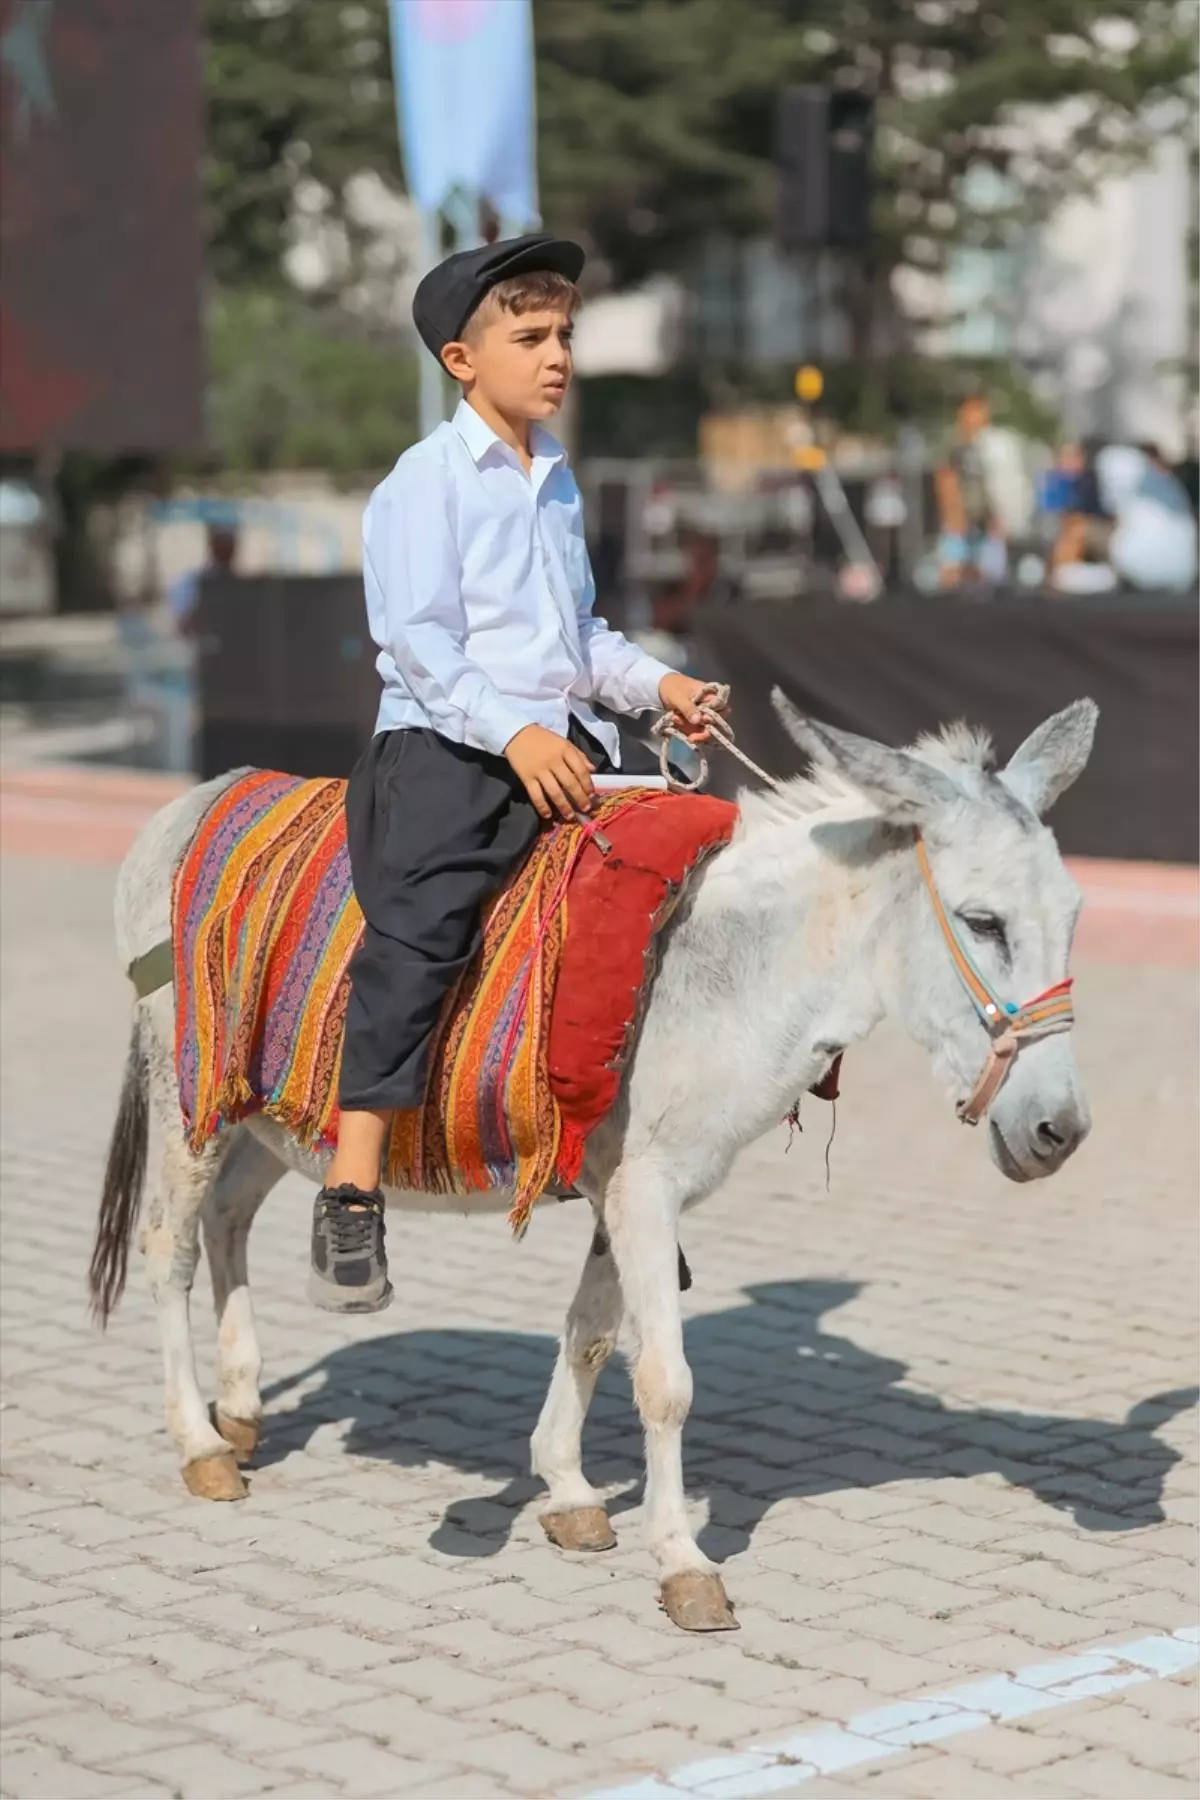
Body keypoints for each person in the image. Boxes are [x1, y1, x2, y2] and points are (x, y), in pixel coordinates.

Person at [309, 233, 725, 1312]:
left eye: (565, 336)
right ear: (460, 359)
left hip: (558, 749)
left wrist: (658, 687)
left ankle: (613, 1183)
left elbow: (577, 637)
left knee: (638, 923)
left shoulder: (556, 481)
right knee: (421, 937)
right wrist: (515, 737)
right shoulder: (425, 484)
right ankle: (351, 1193)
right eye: (530, 337)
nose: (557, 357)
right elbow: (420, 648)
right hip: (445, 756)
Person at [934, 392, 1007, 588]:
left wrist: (993, 516)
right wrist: (953, 514)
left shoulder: (986, 445)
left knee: (981, 577)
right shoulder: (955, 444)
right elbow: (945, 478)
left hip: (981, 521)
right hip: (959, 522)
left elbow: (989, 487)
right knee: (953, 572)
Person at [166, 522, 239, 634]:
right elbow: (183, 625)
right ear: (212, 545)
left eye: (229, 545)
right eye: (221, 545)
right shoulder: (191, 582)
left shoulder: (241, 586)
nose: (226, 551)